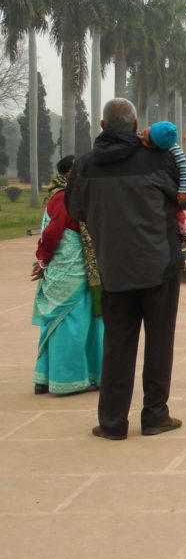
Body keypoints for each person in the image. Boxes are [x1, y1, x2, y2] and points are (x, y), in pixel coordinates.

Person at [66, 98, 186, 441]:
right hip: (160, 266)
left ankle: (112, 422)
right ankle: (155, 416)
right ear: (137, 123)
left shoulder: (84, 166)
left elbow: (75, 211)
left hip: (114, 267)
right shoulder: (158, 159)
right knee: (159, 341)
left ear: (102, 126)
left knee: (117, 343)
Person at [30, 155, 104, 395]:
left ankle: (46, 377)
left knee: (78, 320)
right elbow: (53, 233)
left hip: (77, 267)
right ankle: (66, 380)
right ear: (70, 174)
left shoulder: (73, 193)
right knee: (71, 322)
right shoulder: (65, 197)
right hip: (70, 267)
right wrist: (43, 259)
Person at [139, 120, 186, 249]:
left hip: (173, 192)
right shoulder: (143, 139)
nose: (144, 131)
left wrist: (184, 189)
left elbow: (185, 169)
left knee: (177, 211)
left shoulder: (174, 150)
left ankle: (185, 235)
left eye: (147, 133)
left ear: (153, 145)